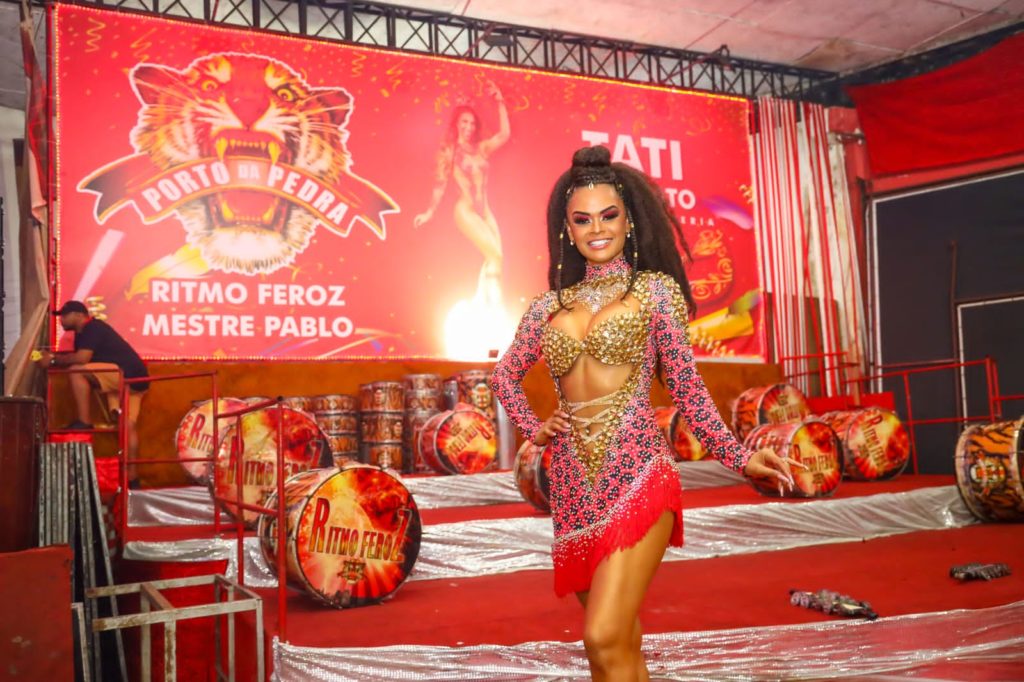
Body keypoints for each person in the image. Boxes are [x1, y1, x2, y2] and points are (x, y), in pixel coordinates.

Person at [490, 146, 802, 681]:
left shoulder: (656, 293)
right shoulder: (547, 308)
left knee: (602, 634)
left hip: (638, 474)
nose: (597, 229)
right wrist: (535, 428)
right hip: (570, 489)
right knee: (616, 645)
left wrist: (739, 457)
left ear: (629, 220)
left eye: (608, 215)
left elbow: (686, 386)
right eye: (582, 219)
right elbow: (504, 376)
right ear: (566, 228)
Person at [414, 79, 509, 308]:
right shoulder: (450, 151)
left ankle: (484, 303)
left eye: (472, 123)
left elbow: (504, 135)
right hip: (466, 210)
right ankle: (489, 304)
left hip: (485, 211)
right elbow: (440, 184)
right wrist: (429, 212)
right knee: (494, 255)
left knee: (497, 260)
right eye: (464, 122)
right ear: (456, 123)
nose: (469, 126)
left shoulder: (481, 149)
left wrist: (500, 102)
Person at [37, 300, 149, 483]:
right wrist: (50, 358)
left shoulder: (92, 327)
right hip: (136, 380)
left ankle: (84, 421)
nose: (61, 320)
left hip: (125, 375)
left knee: (76, 370)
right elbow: (78, 357)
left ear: (79, 315)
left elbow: (81, 359)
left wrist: (52, 360)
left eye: (65, 315)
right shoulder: (83, 333)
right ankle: (133, 477)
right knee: (127, 425)